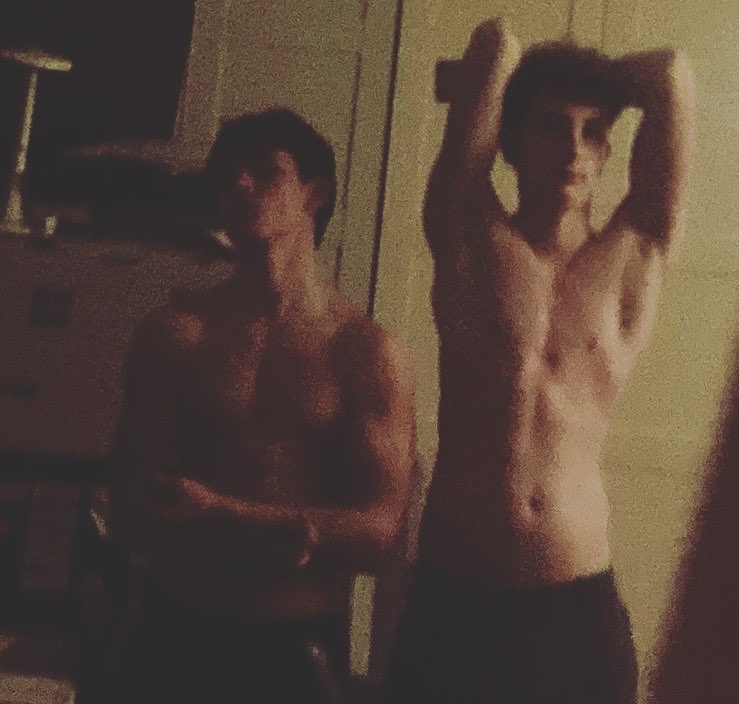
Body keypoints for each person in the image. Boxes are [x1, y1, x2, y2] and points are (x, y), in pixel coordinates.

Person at [386, 18, 694, 704]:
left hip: (573, 605)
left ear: (608, 151)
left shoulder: (634, 252)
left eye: (592, 132)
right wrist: (515, 76)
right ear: (510, 142)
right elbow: (496, 45)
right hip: (455, 598)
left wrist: (602, 81)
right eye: (552, 127)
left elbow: (672, 72)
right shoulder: (468, 237)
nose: (573, 150)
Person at [108, 108, 416, 704]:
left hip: (295, 641)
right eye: (228, 176)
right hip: (177, 626)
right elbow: (131, 506)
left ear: (313, 194)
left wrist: (223, 511)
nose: (240, 185)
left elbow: (379, 532)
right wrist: (292, 531)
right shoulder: (177, 335)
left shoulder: (365, 351)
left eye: (265, 172)